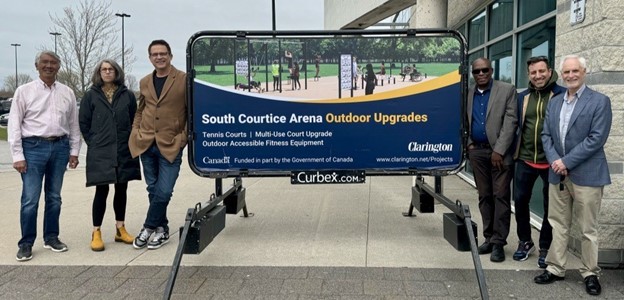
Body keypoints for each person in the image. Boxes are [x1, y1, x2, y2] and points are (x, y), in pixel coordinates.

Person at [534, 55, 611, 297]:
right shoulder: (555, 102)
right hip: (558, 176)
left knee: (588, 229)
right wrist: (557, 162)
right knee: (558, 224)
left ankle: (590, 273)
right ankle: (556, 267)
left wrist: (565, 162)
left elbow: (596, 139)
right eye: (566, 72)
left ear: (584, 72)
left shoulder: (599, 102)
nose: (570, 76)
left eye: (575, 71)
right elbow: (546, 135)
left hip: (587, 175)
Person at [8, 50, 81, 261]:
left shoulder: (67, 92)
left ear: (58, 66)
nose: (49, 66)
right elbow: (14, 125)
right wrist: (17, 155)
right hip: (33, 148)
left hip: (60, 147)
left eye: (53, 63)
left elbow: (73, 125)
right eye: (45, 63)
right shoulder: (24, 91)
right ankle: (26, 243)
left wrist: (74, 152)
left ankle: (51, 237)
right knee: (30, 199)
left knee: (54, 197)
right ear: (37, 66)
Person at [129, 39, 187, 250]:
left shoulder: (183, 79)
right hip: (146, 143)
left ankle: (148, 226)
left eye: (163, 53)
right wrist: (136, 132)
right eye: (155, 54)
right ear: (150, 57)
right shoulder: (145, 81)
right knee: (152, 189)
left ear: (170, 56)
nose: (159, 57)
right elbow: (141, 109)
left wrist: (183, 138)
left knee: (164, 191)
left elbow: (191, 112)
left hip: (171, 144)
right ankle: (162, 230)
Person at [79, 59, 142, 252]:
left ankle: (120, 228)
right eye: (103, 69)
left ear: (116, 72)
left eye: (110, 69)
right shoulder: (90, 96)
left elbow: (134, 120)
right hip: (101, 151)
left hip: (123, 150)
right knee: (101, 190)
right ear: (99, 72)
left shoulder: (128, 95)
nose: (107, 72)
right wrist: (96, 143)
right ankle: (96, 231)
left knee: (121, 189)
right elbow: (84, 124)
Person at [512, 56, 565, 266]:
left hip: (551, 161)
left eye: (541, 71)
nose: (538, 76)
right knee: (521, 202)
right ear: (529, 75)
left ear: (549, 71)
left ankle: (545, 246)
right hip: (525, 159)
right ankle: (525, 241)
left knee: (549, 206)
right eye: (533, 73)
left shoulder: (561, 95)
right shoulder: (523, 97)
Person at [466, 57, 517, 263]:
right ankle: (488, 237)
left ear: (491, 70)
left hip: (499, 155)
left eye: (484, 70)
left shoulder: (506, 90)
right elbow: (464, 119)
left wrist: (500, 150)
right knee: (485, 196)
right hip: (477, 152)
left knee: (501, 197)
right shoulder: (468, 93)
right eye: (476, 71)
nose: (480, 74)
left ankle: (498, 243)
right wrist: (469, 144)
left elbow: (511, 121)